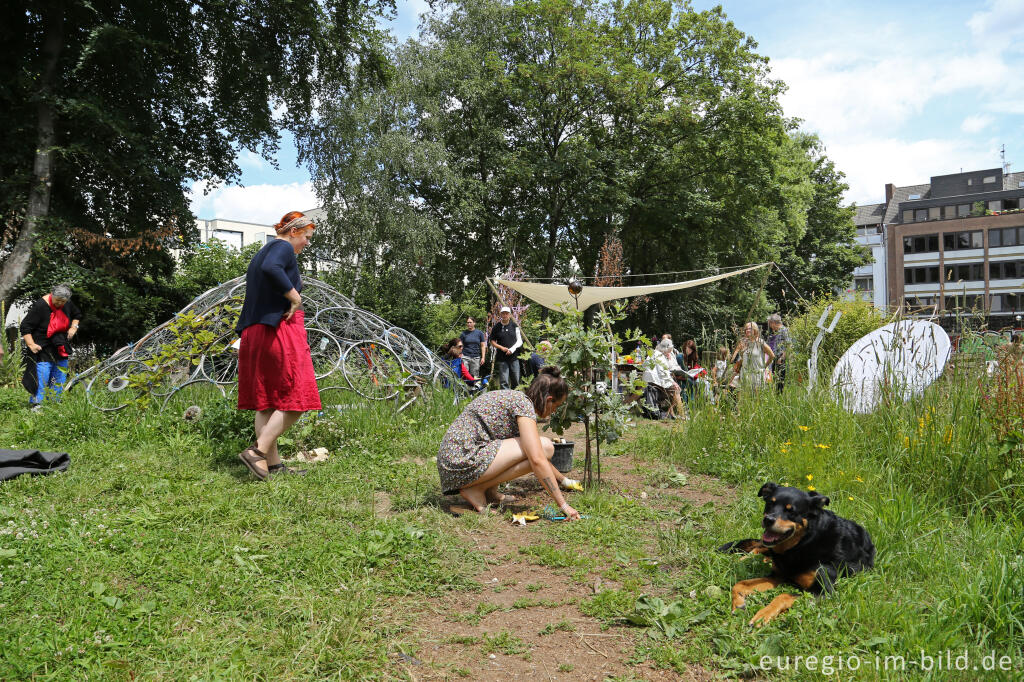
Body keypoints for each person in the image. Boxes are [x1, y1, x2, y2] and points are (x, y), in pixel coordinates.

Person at [234, 211, 321, 480]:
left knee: (267, 403)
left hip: (255, 331)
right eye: (306, 237)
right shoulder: (281, 247)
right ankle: (257, 452)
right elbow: (272, 268)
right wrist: (294, 296)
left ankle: (273, 465)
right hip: (278, 330)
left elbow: (267, 268)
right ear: (293, 231)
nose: (307, 243)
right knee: (297, 398)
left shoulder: (261, 252)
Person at [437, 366, 581, 517]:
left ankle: (489, 493)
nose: (555, 411)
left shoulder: (517, 400)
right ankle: (476, 490)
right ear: (549, 400)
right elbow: (538, 458)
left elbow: (537, 457)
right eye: (557, 406)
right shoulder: (523, 406)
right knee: (545, 446)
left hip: (454, 462)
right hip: (460, 461)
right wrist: (563, 505)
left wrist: (564, 480)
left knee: (537, 449)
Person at [19, 284, 82, 408]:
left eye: (63, 301)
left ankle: (54, 403)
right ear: (51, 295)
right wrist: (31, 344)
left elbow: (77, 315)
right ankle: (37, 404)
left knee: (60, 374)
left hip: (60, 345)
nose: (59, 303)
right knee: (43, 375)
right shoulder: (40, 306)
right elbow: (25, 326)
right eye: (57, 300)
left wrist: (73, 327)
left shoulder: (67, 303)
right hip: (42, 346)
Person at [644, 338, 684, 418]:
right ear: (665, 349)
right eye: (669, 351)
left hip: (648, 381)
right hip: (655, 382)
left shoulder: (654, 353)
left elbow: (644, 365)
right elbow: (663, 373)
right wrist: (673, 382)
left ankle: (671, 412)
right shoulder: (660, 356)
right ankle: (681, 414)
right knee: (677, 390)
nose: (669, 353)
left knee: (675, 388)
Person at [732, 321, 775, 392]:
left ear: (755, 330)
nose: (747, 330)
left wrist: (764, 365)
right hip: (745, 374)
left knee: (757, 399)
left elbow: (772, 356)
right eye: (746, 329)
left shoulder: (760, 342)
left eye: (749, 328)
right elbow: (733, 359)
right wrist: (738, 349)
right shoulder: (743, 342)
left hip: (757, 374)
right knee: (745, 397)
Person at [490, 306, 523, 389]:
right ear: (501, 314)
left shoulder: (515, 326)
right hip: (502, 358)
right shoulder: (496, 327)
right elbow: (492, 341)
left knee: (516, 379)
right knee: (504, 381)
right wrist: (501, 347)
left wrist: (512, 350)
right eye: (503, 313)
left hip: (514, 357)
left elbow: (520, 341)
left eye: (506, 313)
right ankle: (505, 400)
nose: (505, 315)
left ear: (510, 315)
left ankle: (516, 399)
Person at [766, 313, 792, 393]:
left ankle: (779, 397)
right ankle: (777, 396)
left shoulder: (784, 330)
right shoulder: (777, 332)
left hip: (781, 359)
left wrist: (781, 358)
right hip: (776, 358)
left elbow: (789, 345)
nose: (770, 326)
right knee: (776, 380)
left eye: (769, 323)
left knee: (781, 381)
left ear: (773, 322)